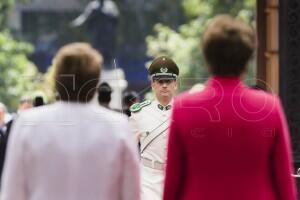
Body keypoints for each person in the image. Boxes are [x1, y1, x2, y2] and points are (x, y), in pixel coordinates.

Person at [163, 15, 297, 200]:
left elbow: (172, 186)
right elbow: (285, 188)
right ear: (247, 58)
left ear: (207, 57)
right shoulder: (269, 108)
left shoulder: (183, 108)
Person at [1, 43, 140, 200]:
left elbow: (12, 193)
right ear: (94, 83)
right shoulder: (118, 126)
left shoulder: (27, 123)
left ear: (56, 79)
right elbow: (131, 193)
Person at [129, 56, 179, 200]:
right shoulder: (139, 112)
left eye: (168, 81)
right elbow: (129, 148)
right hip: (147, 179)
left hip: (176, 176)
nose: (164, 85)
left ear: (175, 84)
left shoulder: (184, 111)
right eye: (160, 81)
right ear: (153, 84)